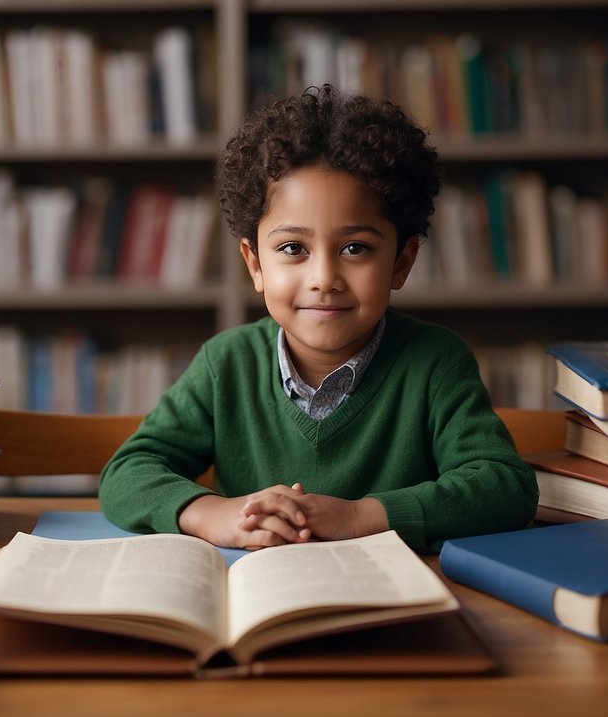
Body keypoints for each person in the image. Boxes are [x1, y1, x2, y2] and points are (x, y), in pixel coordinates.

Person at [98, 85, 538, 552]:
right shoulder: (225, 364)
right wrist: (211, 514)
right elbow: (127, 473)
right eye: (293, 249)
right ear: (255, 265)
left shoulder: (435, 363)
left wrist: (362, 516)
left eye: (356, 248)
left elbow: (504, 487)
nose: (323, 277)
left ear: (401, 263)